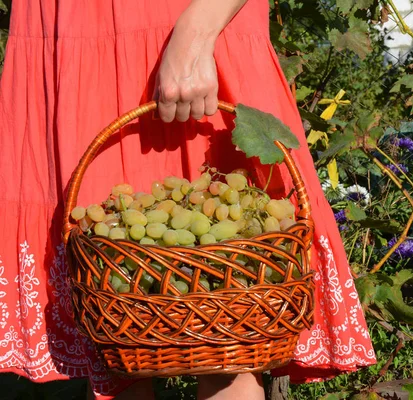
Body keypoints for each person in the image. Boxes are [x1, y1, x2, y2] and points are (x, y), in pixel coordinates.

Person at [0, 0, 377, 398]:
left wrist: (197, 33)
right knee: (114, 330)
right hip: (71, 30)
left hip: (184, 21)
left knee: (231, 337)